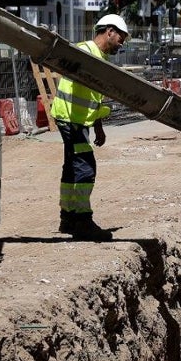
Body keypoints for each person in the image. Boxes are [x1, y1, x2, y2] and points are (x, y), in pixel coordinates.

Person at [49, 14, 128, 241]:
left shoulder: (100, 60)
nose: (123, 42)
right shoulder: (84, 51)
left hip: (78, 121)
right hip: (70, 119)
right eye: (121, 37)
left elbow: (94, 98)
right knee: (85, 168)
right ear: (109, 31)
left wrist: (99, 128)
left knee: (72, 168)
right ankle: (82, 221)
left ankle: (68, 218)